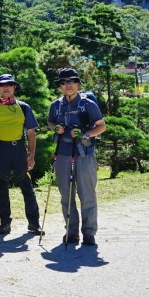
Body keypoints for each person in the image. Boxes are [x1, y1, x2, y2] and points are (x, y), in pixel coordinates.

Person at [47, 68, 106, 246]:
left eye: (72, 81)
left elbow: (101, 126)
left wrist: (85, 134)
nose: (68, 85)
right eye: (64, 82)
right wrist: (55, 128)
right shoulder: (56, 105)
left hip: (84, 153)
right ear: (59, 86)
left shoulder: (88, 104)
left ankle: (89, 233)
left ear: (78, 84)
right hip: (62, 153)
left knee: (87, 194)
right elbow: (50, 122)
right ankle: (71, 232)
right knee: (66, 195)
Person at [0, 74, 43, 236]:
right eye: (2, 85)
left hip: (19, 150)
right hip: (1, 149)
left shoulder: (23, 107)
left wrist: (31, 155)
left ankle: (34, 223)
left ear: (14, 87)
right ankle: (5, 223)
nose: (6, 88)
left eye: (9, 84)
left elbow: (31, 132)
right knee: (2, 187)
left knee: (27, 186)